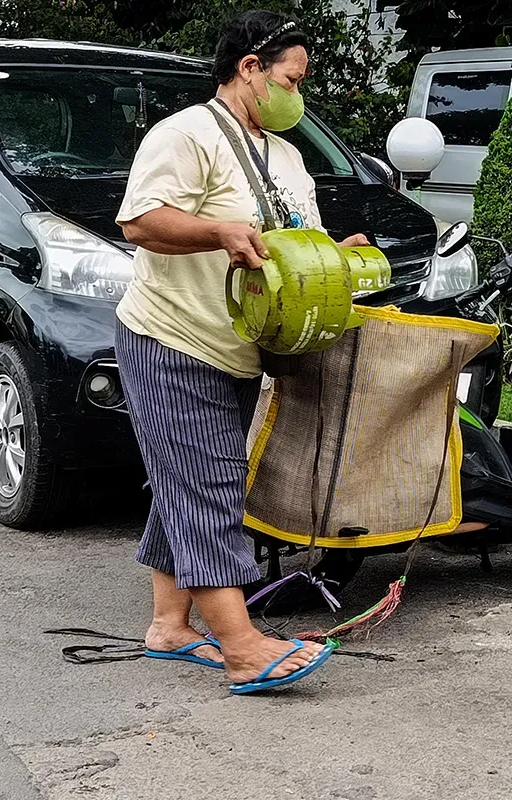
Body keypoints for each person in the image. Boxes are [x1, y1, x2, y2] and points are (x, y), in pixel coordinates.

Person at [114, 10, 367, 694]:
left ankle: (170, 627)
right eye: (293, 76)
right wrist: (218, 232)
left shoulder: (284, 154)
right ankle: (242, 646)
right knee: (209, 482)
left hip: (239, 349)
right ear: (250, 68)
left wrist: (331, 257)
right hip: (171, 336)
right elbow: (140, 221)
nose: (299, 91)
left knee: (185, 476)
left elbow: (289, 239)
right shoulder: (187, 134)